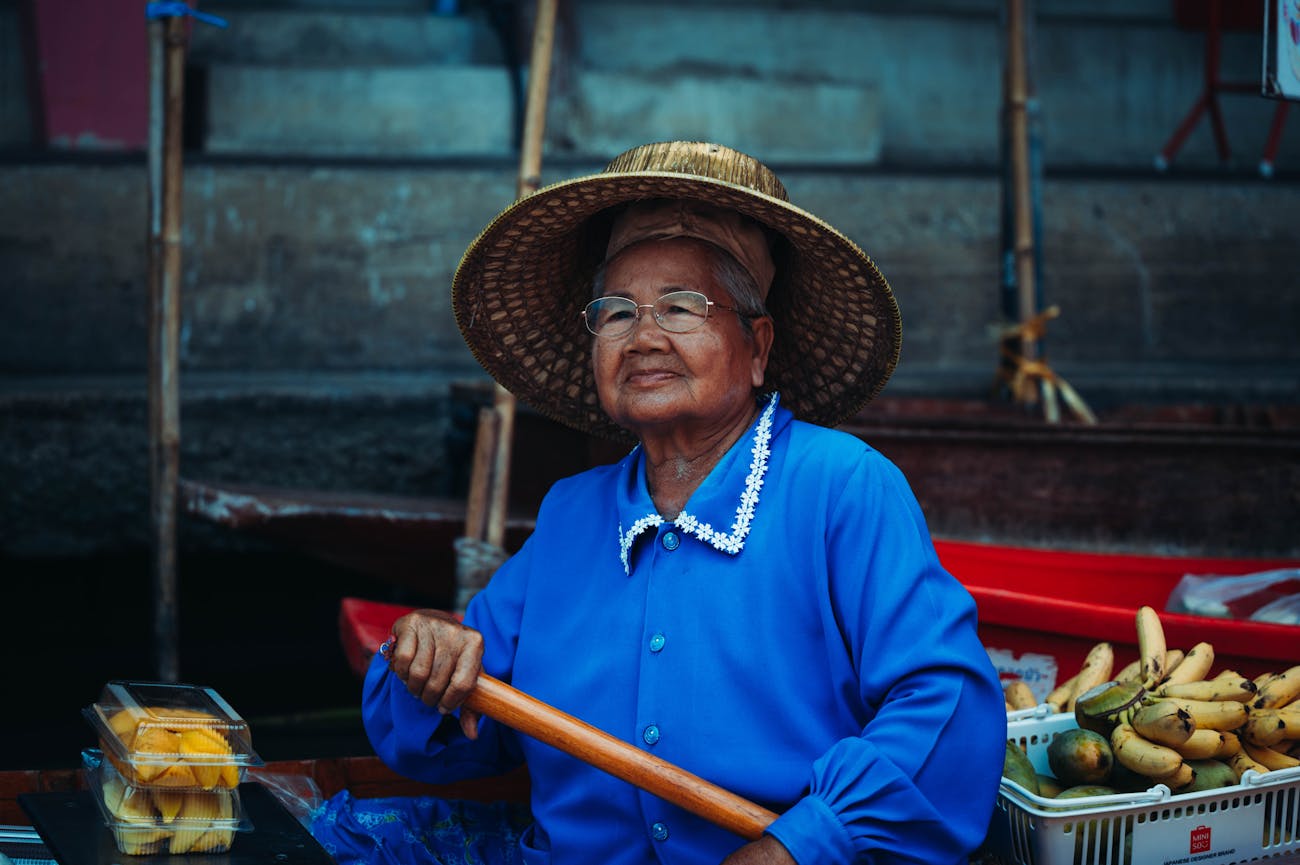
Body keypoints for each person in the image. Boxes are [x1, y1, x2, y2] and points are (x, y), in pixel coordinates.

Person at [361, 141, 1007, 865]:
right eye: (614, 313)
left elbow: (945, 710)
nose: (642, 338)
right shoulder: (572, 514)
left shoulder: (843, 487)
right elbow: (442, 743)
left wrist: (801, 844)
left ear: (757, 345)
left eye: (680, 306)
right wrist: (426, 656)